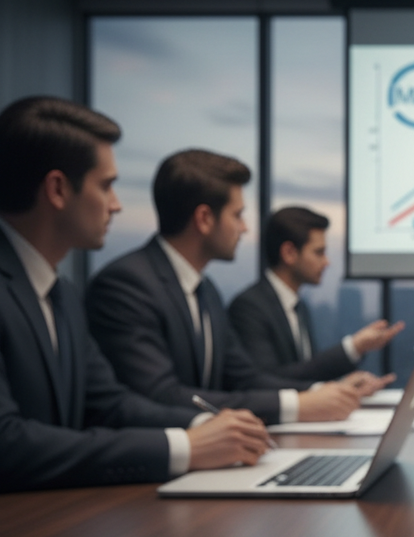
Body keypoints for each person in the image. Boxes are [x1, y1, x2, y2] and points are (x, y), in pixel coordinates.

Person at [0, 97, 272, 492]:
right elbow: (7, 443)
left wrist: (204, 427)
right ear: (58, 190)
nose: (117, 205)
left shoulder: (63, 295)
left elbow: (110, 404)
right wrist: (184, 447)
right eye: (106, 186)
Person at [86, 149, 389, 425]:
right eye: (237, 215)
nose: (244, 228)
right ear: (204, 219)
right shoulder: (127, 285)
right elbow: (160, 394)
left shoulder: (206, 291)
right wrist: (298, 403)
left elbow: (245, 378)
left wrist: (324, 392)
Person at [228, 206, 403, 380]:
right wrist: (352, 347)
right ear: (289, 253)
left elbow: (306, 372)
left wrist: (343, 386)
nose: (326, 262)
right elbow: (266, 381)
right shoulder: (250, 307)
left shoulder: (299, 306)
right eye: (319, 252)